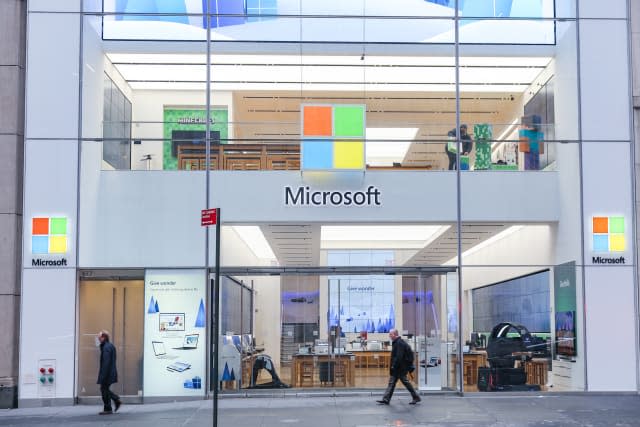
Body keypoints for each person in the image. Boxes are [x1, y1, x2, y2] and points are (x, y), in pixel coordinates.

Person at [376, 329, 421, 405]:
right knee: (392, 383)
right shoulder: (398, 342)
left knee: (404, 383)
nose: (389, 336)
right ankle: (386, 399)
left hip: (400, 368)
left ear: (394, 334)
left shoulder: (399, 343)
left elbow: (398, 357)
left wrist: (394, 366)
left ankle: (416, 397)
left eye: (390, 334)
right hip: (399, 367)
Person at [97, 330, 122, 415]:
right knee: (104, 389)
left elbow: (106, 363)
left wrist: (103, 375)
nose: (98, 339)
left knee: (104, 389)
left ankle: (115, 401)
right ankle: (109, 407)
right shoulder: (109, 346)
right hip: (110, 372)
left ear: (104, 337)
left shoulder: (106, 347)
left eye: (99, 337)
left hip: (107, 373)